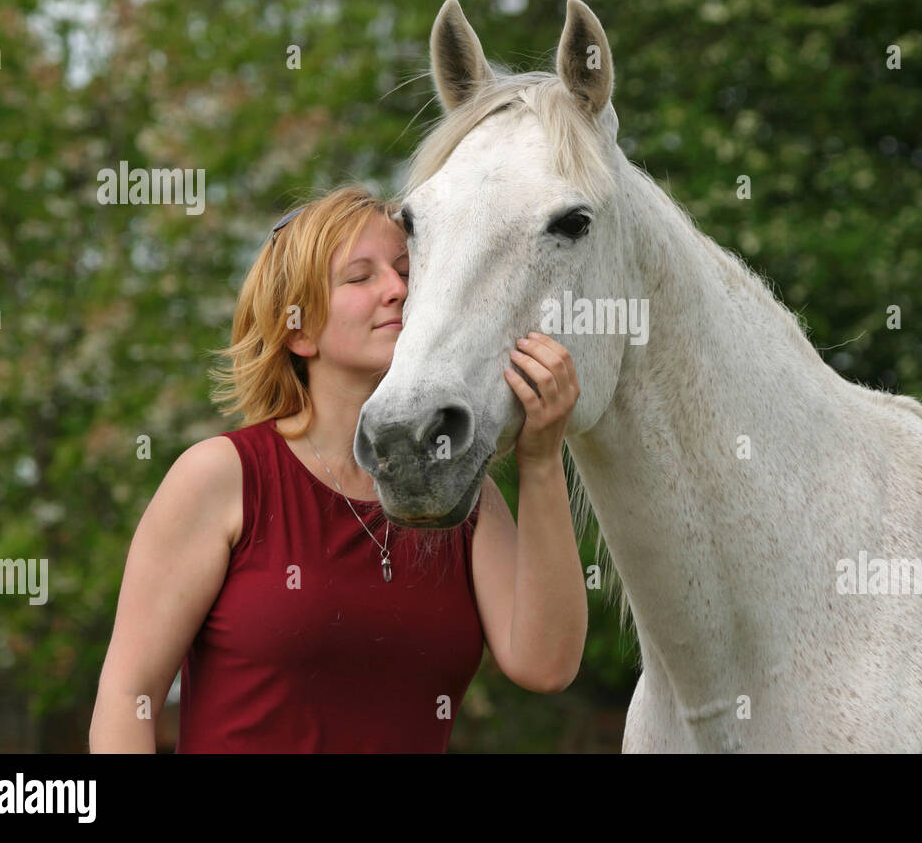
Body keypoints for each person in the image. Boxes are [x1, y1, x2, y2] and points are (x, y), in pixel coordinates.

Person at [88, 185, 587, 752]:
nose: (397, 289)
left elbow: (545, 665)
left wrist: (542, 459)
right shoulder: (222, 478)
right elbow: (129, 694)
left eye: (405, 271)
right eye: (360, 277)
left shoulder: (462, 496)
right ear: (298, 329)